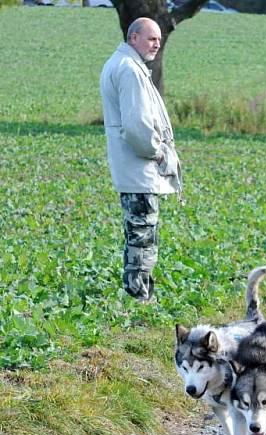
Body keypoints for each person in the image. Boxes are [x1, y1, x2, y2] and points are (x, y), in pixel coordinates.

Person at [100, 17, 183, 303]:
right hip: (139, 172)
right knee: (142, 240)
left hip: (134, 172)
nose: (157, 43)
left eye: (159, 39)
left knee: (139, 237)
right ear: (133, 37)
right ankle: (139, 301)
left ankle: (140, 298)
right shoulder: (129, 71)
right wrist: (157, 151)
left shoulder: (126, 65)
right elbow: (136, 126)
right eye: (151, 38)